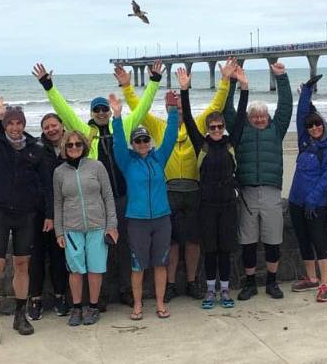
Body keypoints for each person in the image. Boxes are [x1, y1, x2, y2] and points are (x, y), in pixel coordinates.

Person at [33, 61, 163, 308]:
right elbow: (64, 110)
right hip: (97, 201)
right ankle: (99, 297)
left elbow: (144, 106)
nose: (102, 112)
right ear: (92, 113)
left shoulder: (123, 125)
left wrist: (154, 80)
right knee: (98, 250)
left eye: (105, 108)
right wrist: (48, 85)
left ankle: (125, 290)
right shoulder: (84, 132)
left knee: (124, 247)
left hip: (124, 198)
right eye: (98, 109)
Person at [119, 59, 237, 301]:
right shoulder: (159, 126)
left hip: (195, 191)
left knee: (193, 241)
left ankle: (193, 282)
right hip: (169, 191)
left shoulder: (197, 125)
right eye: (173, 108)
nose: (178, 112)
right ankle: (171, 284)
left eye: (181, 108)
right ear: (168, 110)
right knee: (171, 243)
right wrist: (127, 88)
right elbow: (137, 108)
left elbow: (218, 104)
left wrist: (225, 81)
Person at [0, 49, 51, 346]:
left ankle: (20, 314)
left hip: (26, 215)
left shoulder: (35, 149)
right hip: (0, 213)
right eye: (10, 123)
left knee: (22, 265)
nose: (15, 127)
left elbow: (46, 184)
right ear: (4, 125)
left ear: (23, 124)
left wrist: (50, 215)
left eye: (19, 122)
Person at [176, 61, 248, 309]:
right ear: (207, 129)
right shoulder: (201, 144)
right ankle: (209, 291)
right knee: (210, 250)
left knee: (225, 250)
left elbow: (240, 119)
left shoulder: (230, 143)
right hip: (206, 205)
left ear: (223, 128)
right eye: (213, 127)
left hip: (228, 204)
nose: (216, 130)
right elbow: (189, 118)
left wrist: (243, 88)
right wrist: (184, 90)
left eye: (219, 127)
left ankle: (225, 290)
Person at [0, 100, 69, 319]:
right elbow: (6, 143)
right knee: (34, 257)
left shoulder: (72, 146)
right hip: (34, 212)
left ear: (62, 126)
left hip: (62, 210)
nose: (51, 129)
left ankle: (61, 296)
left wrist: (52, 215)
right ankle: (34, 299)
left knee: (58, 255)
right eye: (46, 127)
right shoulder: (35, 147)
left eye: (54, 125)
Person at [223, 61, 292, 301]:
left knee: (273, 240)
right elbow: (227, 109)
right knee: (248, 241)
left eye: (263, 116)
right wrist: (233, 81)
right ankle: (250, 283)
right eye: (255, 116)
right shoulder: (240, 130)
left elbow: (285, 107)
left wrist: (281, 78)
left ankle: (272, 282)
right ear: (249, 118)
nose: (260, 119)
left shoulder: (276, 129)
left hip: (272, 191)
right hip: (247, 193)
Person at [110, 91, 179, 320]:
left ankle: (159, 304)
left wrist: (172, 111)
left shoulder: (159, 158)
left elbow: (170, 136)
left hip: (161, 219)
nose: (142, 144)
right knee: (138, 266)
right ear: (133, 143)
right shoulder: (127, 161)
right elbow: (118, 143)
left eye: (145, 140)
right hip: (137, 221)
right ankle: (138, 305)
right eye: (138, 140)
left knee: (160, 264)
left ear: (150, 142)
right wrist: (117, 118)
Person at [53, 131, 118, 326]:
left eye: (78, 144)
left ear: (84, 146)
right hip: (72, 228)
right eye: (70, 145)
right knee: (75, 270)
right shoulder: (59, 172)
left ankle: (93, 307)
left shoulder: (97, 166)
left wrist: (111, 225)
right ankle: (76, 307)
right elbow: (58, 203)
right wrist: (59, 231)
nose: (74, 148)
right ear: (64, 147)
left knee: (95, 269)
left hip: (97, 226)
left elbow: (108, 196)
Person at [287, 75, 327, 303]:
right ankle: (310, 278)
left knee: (320, 242)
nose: (314, 127)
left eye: (317, 124)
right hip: (296, 201)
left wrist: (313, 197)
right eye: (311, 125)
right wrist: (307, 91)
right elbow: (301, 116)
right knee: (303, 240)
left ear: (324, 125)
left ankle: (324, 283)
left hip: (315, 204)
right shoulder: (304, 141)